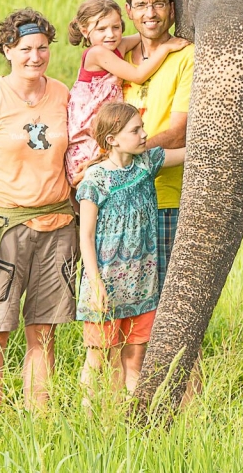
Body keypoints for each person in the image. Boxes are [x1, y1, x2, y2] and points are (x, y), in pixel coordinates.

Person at [0, 8, 77, 410]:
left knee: (43, 332)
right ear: (8, 49)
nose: (35, 56)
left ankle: (39, 419)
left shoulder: (62, 93)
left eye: (43, 48)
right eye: (26, 48)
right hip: (4, 228)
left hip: (59, 226)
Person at [75, 101, 186, 395]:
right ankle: (92, 422)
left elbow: (191, 154)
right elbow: (85, 236)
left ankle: (132, 422)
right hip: (106, 285)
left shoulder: (148, 163)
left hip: (142, 285)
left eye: (142, 127)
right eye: (135, 130)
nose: (144, 134)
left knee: (135, 359)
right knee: (99, 361)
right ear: (112, 139)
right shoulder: (96, 178)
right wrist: (95, 282)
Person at [119, 0, 194, 294]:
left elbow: (178, 132)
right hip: (118, 198)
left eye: (159, 4)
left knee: (166, 302)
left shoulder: (186, 56)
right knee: (122, 301)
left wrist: (120, 154)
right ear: (129, 11)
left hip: (164, 198)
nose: (151, 14)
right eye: (141, 5)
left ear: (172, 9)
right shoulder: (118, 56)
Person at [65, 0, 188, 186]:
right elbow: (138, 75)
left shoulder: (117, 46)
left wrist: (163, 20)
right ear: (84, 31)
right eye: (101, 29)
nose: (110, 34)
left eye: (116, 27)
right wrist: (165, 49)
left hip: (105, 124)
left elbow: (146, 34)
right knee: (91, 179)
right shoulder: (97, 53)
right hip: (88, 127)